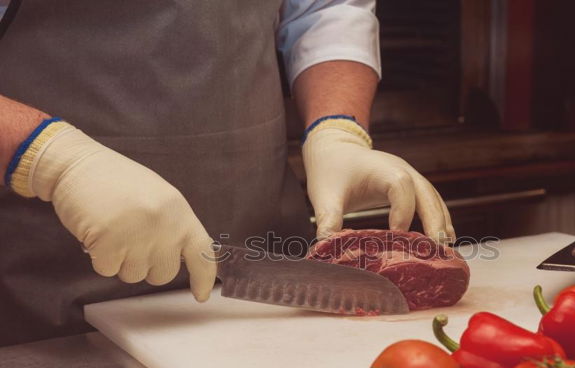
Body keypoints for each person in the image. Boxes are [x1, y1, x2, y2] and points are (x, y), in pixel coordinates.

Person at [0, 0, 454, 346]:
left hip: (260, 285)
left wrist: (337, 130)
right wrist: (51, 161)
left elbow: (326, 8)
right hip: (47, 297)